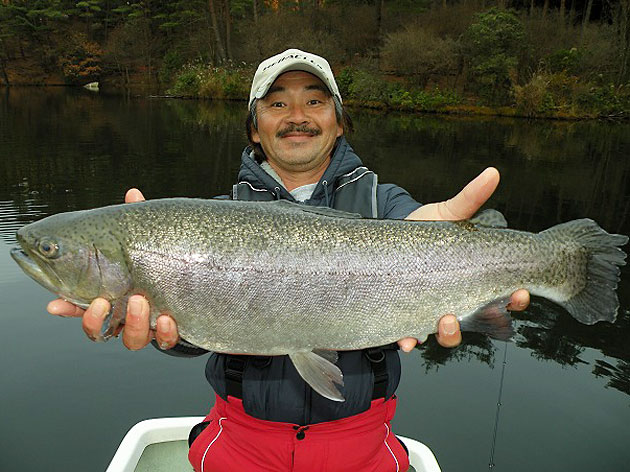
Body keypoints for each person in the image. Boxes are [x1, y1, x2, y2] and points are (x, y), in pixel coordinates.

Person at [47, 49, 530, 471]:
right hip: (239, 442)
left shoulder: (389, 206)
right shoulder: (211, 219)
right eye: (277, 103)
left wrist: (468, 253)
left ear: (339, 121)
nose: (297, 114)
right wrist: (159, 331)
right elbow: (191, 337)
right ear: (255, 128)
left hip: (363, 445)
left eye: (314, 101)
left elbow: (421, 230)